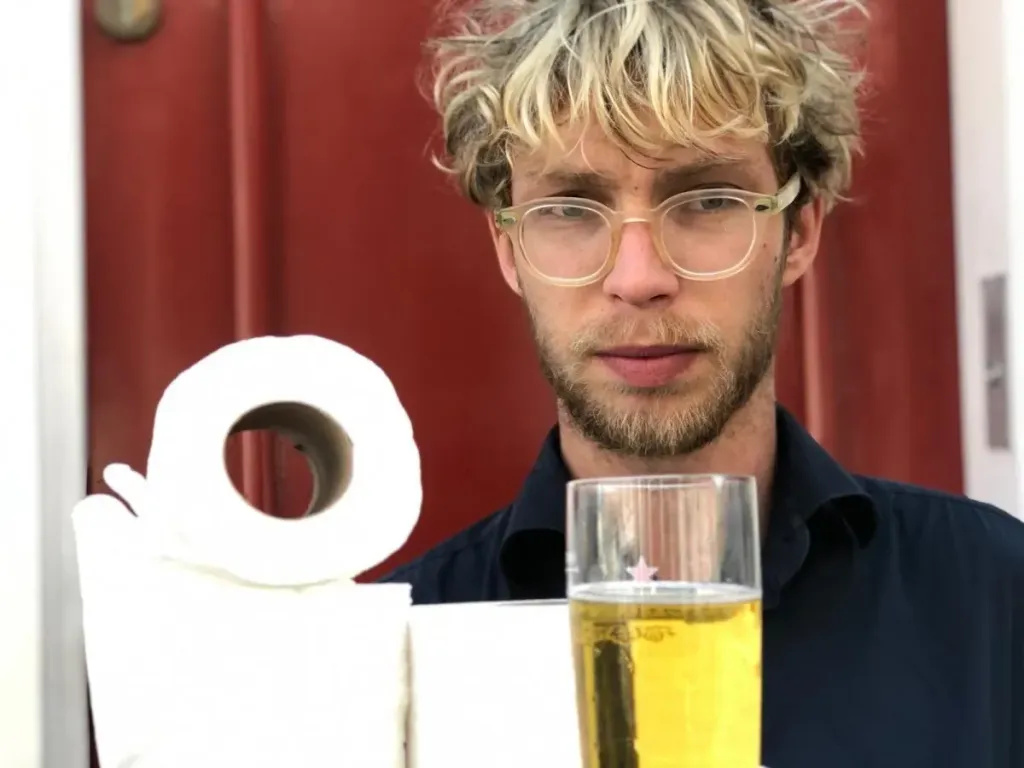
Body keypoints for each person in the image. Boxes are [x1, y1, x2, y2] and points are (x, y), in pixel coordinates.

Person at [382, 0, 1024, 764]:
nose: (638, 278)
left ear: (799, 232)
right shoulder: (395, 651)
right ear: (508, 249)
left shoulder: (994, 595)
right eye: (569, 209)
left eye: (709, 200)